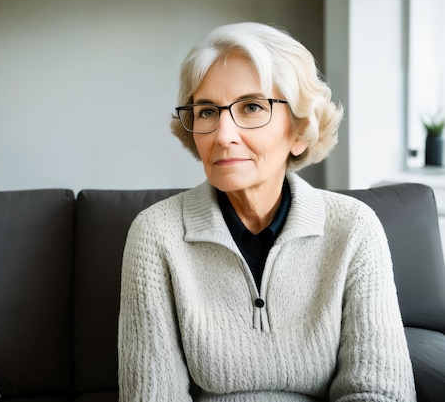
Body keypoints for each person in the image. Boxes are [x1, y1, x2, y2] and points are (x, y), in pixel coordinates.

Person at [117, 22, 416, 401]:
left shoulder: (354, 228)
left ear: (299, 130)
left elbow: (380, 392)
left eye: (253, 106)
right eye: (207, 111)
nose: (223, 134)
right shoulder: (156, 233)